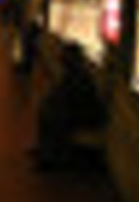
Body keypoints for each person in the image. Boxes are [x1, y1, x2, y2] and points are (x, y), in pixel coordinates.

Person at [30, 42, 108, 170]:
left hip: (84, 114)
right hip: (77, 109)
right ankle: (45, 150)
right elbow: (64, 94)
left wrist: (53, 103)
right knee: (46, 112)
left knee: (53, 118)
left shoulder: (79, 76)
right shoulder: (75, 73)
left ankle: (51, 157)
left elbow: (73, 98)